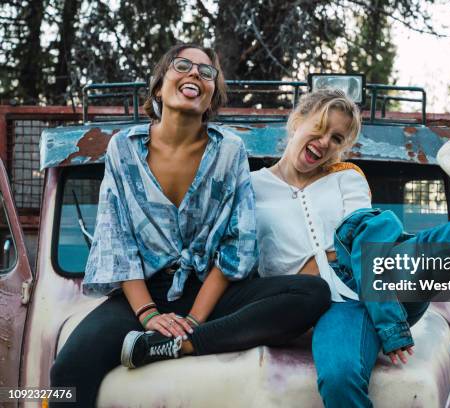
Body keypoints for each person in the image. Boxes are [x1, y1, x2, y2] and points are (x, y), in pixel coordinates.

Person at [49, 44, 331, 407]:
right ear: (158, 87)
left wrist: (192, 323)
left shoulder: (229, 150)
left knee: (312, 294)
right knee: (67, 372)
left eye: (207, 71)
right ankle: (169, 336)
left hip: (212, 291)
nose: (195, 73)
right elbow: (117, 241)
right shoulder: (124, 149)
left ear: (212, 96)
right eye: (183, 65)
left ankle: (177, 347)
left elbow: (237, 244)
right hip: (143, 293)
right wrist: (149, 314)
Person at [250, 88, 450, 407]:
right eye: (320, 128)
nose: (326, 141)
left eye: (337, 138)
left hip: (363, 288)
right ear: (297, 119)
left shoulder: (346, 179)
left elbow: (366, 243)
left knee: (414, 254)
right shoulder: (250, 187)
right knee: (340, 375)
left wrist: (390, 325)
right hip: (302, 303)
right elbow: (239, 258)